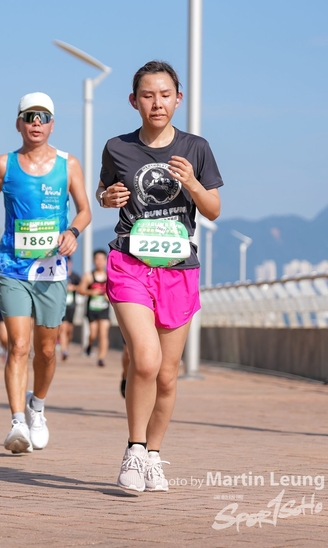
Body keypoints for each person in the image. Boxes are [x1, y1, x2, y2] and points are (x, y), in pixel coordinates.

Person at [95, 61, 223, 492]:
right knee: (146, 360)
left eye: (165, 94)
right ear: (134, 101)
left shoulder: (196, 148)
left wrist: (193, 185)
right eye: (148, 95)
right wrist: (107, 197)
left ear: (178, 99)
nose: (157, 103)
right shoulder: (117, 147)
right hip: (130, 263)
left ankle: (153, 455)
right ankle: (133, 450)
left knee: (167, 375)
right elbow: (104, 191)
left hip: (178, 268)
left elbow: (213, 210)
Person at [0, 92, 91, 455]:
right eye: (29, 117)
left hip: (52, 269)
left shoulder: (68, 164)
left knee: (47, 350)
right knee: (19, 346)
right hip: (12, 266)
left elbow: (85, 210)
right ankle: (17, 423)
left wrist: (72, 232)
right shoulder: (3, 164)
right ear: (18, 124)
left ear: (52, 124)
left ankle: (36, 406)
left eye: (43, 117)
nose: (36, 122)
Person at [78, 249, 111, 367]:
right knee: (93, 334)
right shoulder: (88, 276)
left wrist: (109, 296)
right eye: (97, 259)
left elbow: (117, 290)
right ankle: (90, 345)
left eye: (102, 259)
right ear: (94, 261)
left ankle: (101, 358)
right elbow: (80, 290)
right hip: (92, 309)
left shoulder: (110, 276)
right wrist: (92, 292)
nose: (100, 262)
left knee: (103, 334)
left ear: (106, 261)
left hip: (104, 309)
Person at [58, 257, 81, 361]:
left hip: (71, 306)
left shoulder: (75, 276)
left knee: (69, 330)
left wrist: (74, 288)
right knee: (63, 328)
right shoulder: (58, 275)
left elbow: (82, 288)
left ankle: (66, 346)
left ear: (70, 263)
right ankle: (64, 350)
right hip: (60, 306)